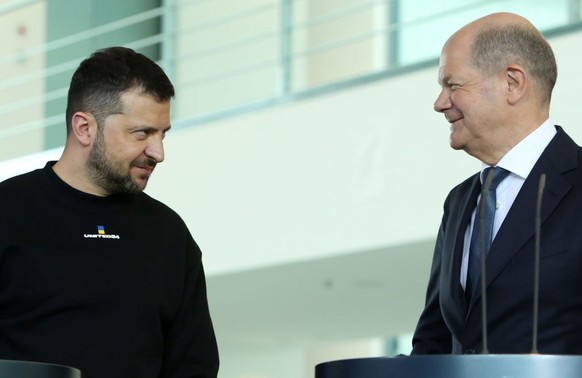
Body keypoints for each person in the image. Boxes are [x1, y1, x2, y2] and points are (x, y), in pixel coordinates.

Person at [0, 47, 219, 377]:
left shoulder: (169, 234)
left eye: (162, 134)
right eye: (142, 133)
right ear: (85, 128)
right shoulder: (8, 212)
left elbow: (194, 366)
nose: (158, 152)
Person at [411, 12, 582, 354]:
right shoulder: (459, 202)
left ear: (512, 83)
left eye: (453, 85)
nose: (439, 103)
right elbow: (435, 343)